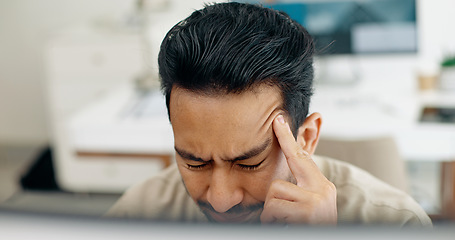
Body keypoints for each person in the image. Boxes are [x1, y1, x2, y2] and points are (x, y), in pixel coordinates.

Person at [106, 2, 431, 226]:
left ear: (306, 138)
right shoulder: (141, 211)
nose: (220, 200)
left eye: (249, 163)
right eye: (195, 163)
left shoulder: (396, 222)